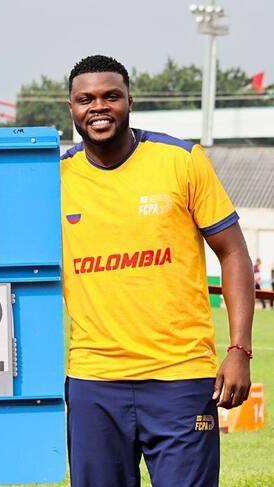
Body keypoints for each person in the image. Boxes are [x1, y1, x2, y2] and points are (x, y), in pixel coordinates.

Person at [61, 55, 254, 487]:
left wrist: (239, 349)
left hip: (180, 377)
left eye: (111, 96)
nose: (98, 107)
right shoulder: (57, 176)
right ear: (71, 108)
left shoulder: (181, 160)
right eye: (86, 99)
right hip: (94, 380)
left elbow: (233, 253)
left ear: (130, 101)